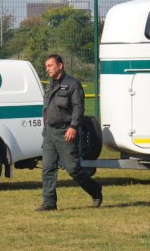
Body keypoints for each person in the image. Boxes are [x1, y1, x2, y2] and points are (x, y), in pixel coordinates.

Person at [36, 54, 102, 211]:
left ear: (60, 65)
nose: (47, 69)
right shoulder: (49, 86)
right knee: (47, 168)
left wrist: (73, 127)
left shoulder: (73, 84)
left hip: (65, 131)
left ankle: (95, 190)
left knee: (73, 168)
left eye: (50, 65)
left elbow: (78, 108)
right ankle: (49, 203)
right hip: (50, 133)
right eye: (46, 66)